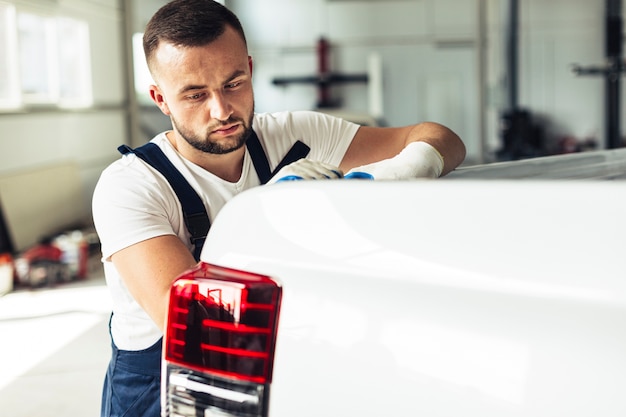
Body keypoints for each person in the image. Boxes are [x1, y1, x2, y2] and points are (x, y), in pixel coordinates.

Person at [92, 1, 466, 416]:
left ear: (250, 68)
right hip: (161, 388)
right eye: (195, 95)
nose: (221, 110)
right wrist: (266, 213)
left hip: (278, 363)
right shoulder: (130, 187)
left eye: (233, 83)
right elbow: (193, 326)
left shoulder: (294, 136)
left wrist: (396, 172)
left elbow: (441, 137)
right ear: (161, 99)